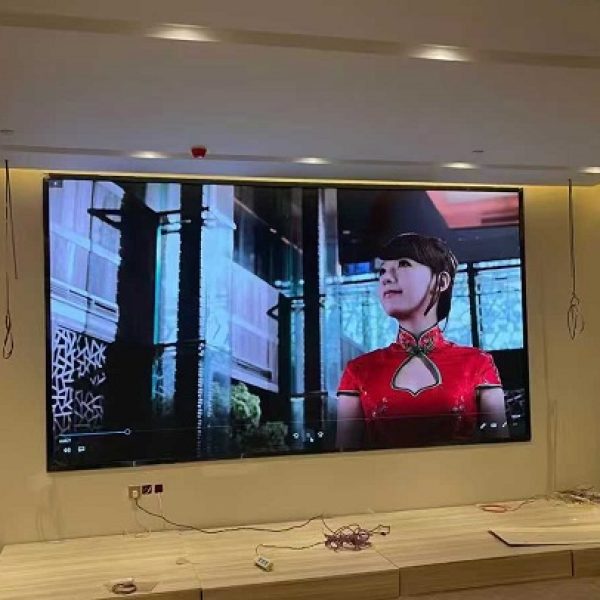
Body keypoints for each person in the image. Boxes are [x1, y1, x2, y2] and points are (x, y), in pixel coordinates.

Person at [336, 233, 507, 450]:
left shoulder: (478, 364)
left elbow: (502, 451)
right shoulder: (359, 370)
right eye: (382, 271)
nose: (386, 278)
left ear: (441, 281)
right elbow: (345, 459)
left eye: (403, 264)